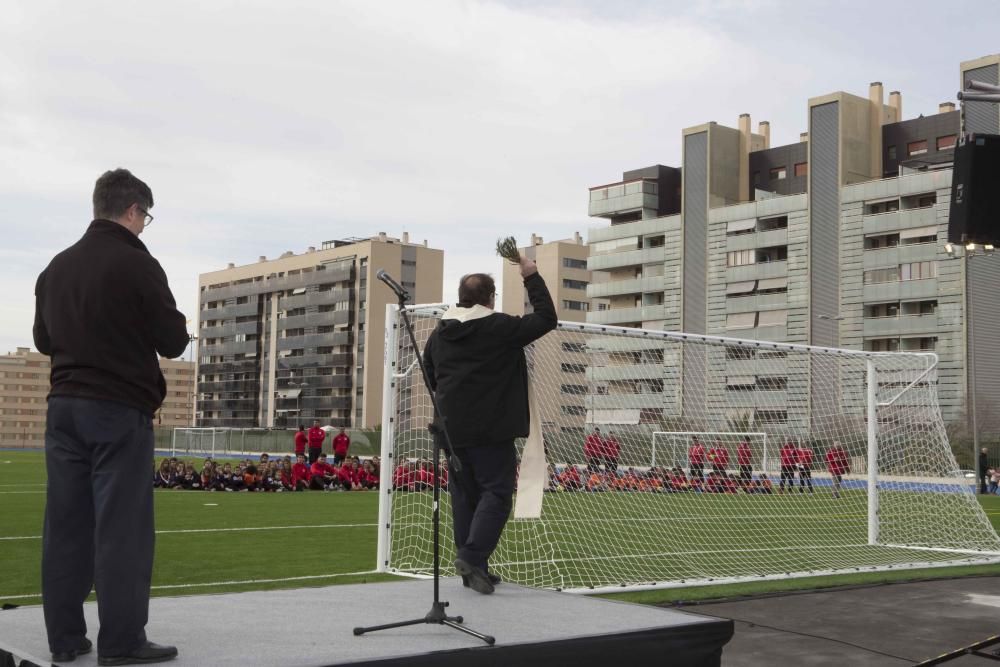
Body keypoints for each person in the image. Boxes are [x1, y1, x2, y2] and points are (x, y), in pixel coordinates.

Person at [33, 169, 183, 664]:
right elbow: (173, 340)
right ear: (134, 210)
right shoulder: (138, 265)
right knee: (122, 530)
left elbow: (43, 341)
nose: (145, 227)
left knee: (66, 527)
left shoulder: (56, 268)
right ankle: (121, 642)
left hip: (64, 411)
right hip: (117, 412)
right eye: (146, 217)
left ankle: (66, 640)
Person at [423, 257, 556, 594]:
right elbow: (546, 319)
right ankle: (471, 554)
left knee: (464, 496)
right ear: (490, 298)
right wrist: (531, 276)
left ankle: (475, 569)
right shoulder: (498, 327)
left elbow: (428, 373)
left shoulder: (440, 332)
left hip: (450, 429)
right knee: (495, 492)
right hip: (490, 428)